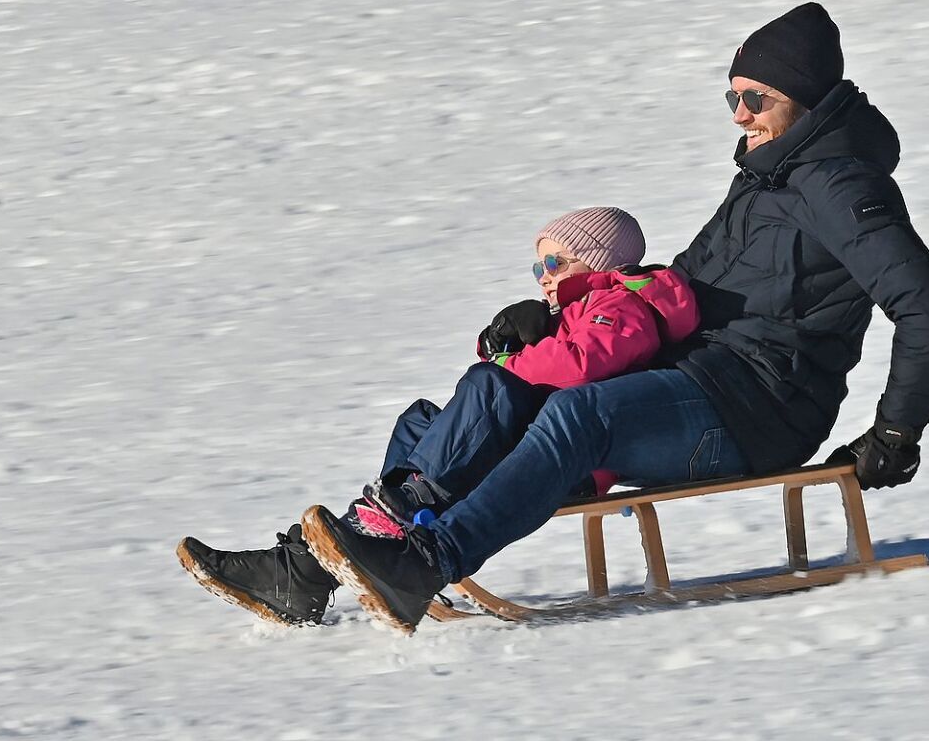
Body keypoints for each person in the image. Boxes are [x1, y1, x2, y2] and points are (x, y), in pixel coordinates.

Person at [296, 2, 929, 634]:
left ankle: (426, 560)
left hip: (757, 408)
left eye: (757, 98)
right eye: (731, 96)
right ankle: (305, 571)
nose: (740, 114)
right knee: (481, 402)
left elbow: (921, 302)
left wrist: (895, 433)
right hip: (697, 380)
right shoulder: (766, 180)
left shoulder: (844, 188)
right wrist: (570, 303)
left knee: (579, 415)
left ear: (807, 99)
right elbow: (677, 284)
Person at [177, 207, 701, 625]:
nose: (543, 277)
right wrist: (500, 343)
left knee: (487, 385)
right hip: (527, 436)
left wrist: (504, 360)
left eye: (555, 263)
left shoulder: (626, 306)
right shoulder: (573, 312)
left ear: (600, 258)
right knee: (420, 418)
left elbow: (578, 365)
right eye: (536, 266)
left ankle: (368, 539)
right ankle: (323, 564)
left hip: (561, 458)